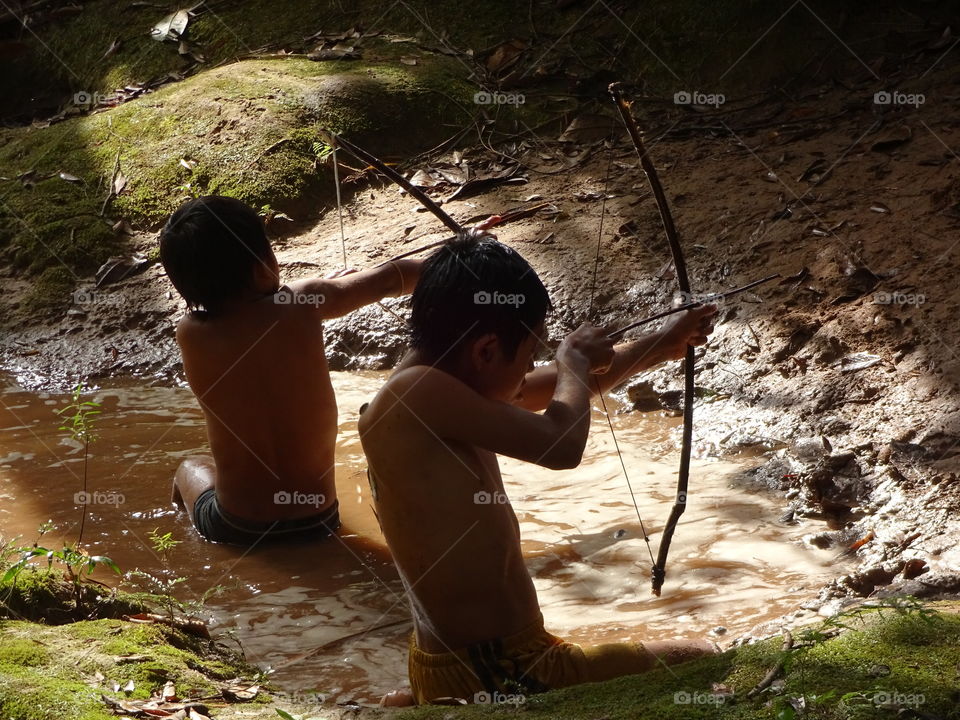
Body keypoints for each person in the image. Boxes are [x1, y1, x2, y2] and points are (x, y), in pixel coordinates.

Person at [359, 235, 719, 705]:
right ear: (486, 352)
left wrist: (657, 344)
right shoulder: (421, 393)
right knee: (703, 656)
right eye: (528, 354)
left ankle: (428, 700)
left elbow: (542, 393)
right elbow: (559, 444)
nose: (530, 368)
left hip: (475, 661)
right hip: (501, 669)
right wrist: (572, 359)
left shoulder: (433, 380)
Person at [159, 195, 423, 545]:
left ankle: (193, 554)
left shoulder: (189, 333)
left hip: (238, 527)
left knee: (188, 469)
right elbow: (394, 279)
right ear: (259, 263)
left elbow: (250, 321)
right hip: (319, 519)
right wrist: (463, 264)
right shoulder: (303, 301)